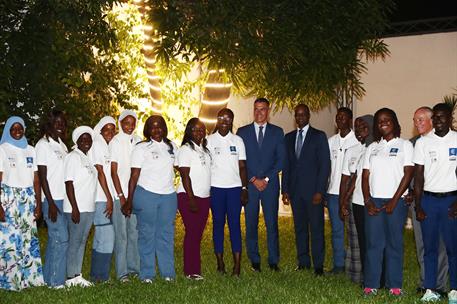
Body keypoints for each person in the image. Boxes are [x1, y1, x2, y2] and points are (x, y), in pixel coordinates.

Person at [362, 108, 414, 297]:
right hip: (374, 201)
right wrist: (367, 200)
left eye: (387, 119)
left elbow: (408, 173)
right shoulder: (372, 147)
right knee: (374, 244)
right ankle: (371, 284)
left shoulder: (405, 145)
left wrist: (394, 200)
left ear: (395, 122)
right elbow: (365, 176)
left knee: (394, 243)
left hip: (396, 201)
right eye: (379, 120)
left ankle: (395, 286)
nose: (383, 123)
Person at [122, 115, 178, 282]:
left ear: (164, 128)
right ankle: (147, 274)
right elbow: (134, 176)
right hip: (146, 194)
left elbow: (182, 168)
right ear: (147, 130)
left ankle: (168, 273)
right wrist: (129, 200)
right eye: (153, 127)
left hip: (168, 196)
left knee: (166, 234)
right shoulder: (141, 148)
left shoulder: (172, 146)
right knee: (147, 234)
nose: (157, 129)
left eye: (160, 126)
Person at [413, 103, 457, 302]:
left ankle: (454, 289)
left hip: (451, 200)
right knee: (429, 248)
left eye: (442, 117)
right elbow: (419, 176)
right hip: (429, 201)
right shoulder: (423, 142)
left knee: (453, 248)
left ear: (450, 118)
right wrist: (419, 205)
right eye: (436, 118)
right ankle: (430, 289)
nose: (438, 121)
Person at [236, 97, 285, 272]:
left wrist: (266, 179)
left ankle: (273, 260)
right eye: (256, 109)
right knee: (251, 223)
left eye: (262, 109)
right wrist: (252, 179)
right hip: (250, 185)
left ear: (268, 111)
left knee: (271, 223)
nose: (259, 112)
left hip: (270, 185)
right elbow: (239, 161)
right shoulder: (242, 132)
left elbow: (281, 160)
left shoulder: (278, 132)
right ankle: (254, 259)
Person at [281, 104, 330, 275]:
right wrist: (284, 189)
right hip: (295, 192)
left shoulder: (319, 136)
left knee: (316, 229)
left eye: (303, 114)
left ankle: (318, 265)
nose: (300, 117)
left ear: (309, 116)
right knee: (300, 228)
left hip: (313, 193)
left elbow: (325, 166)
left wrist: (320, 191)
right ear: (295, 117)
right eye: (297, 114)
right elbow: (286, 165)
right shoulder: (288, 138)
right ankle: (303, 262)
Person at [0, 116, 44, 291]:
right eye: (13, 128)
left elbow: (36, 179)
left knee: (27, 239)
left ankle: (29, 279)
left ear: (24, 129)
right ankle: (10, 282)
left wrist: (38, 203)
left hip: (28, 197)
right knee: (10, 241)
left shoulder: (31, 150)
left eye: (20, 128)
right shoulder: (2, 149)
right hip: (9, 197)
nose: (17, 131)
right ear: (8, 131)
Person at [409, 106, 448, 295]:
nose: (417, 124)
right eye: (415, 120)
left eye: (421, 119)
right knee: (422, 243)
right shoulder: (413, 143)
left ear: (432, 120)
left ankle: (439, 284)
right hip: (418, 201)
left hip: (438, 199)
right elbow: (408, 172)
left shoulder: (443, 142)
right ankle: (426, 282)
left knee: (440, 244)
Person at [207, 108, 248, 276]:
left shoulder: (238, 141)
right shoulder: (208, 140)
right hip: (216, 189)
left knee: (235, 226)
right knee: (217, 225)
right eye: (222, 118)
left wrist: (244, 188)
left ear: (232, 121)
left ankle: (237, 265)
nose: (225, 121)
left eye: (228, 118)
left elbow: (242, 167)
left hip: (234, 189)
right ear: (217, 120)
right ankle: (220, 262)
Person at [339, 115, 374, 283]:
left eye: (364, 126)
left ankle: (374, 275)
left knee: (371, 238)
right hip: (354, 200)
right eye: (357, 126)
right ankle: (357, 275)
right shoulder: (352, 150)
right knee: (355, 238)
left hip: (373, 199)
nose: (360, 129)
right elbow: (346, 180)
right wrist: (343, 202)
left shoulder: (375, 148)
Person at [36, 110, 68, 288]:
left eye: (62, 123)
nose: (60, 126)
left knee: (55, 240)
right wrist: (51, 203)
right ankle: (56, 282)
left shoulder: (62, 145)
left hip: (64, 199)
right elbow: (42, 177)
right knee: (61, 238)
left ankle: (48, 277)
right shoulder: (43, 145)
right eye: (56, 122)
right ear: (49, 124)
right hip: (52, 200)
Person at [177, 118, 212, 280]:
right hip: (189, 197)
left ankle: (194, 269)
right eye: (195, 130)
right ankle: (191, 271)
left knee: (197, 234)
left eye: (202, 129)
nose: (199, 133)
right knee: (192, 233)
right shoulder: (185, 149)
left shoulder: (204, 149)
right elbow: (184, 175)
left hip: (204, 197)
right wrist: (191, 199)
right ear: (189, 131)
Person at [109, 109, 141, 281]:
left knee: (134, 233)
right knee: (121, 235)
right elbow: (113, 172)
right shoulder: (115, 142)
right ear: (120, 123)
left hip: (135, 195)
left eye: (132, 122)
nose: (130, 126)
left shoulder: (138, 141)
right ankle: (122, 273)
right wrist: (121, 197)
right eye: (126, 123)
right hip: (119, 196)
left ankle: (134, 268)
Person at [327, 107, 359, 274]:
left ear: (350, 120)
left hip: (353, 194)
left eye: (344, 117)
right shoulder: (331, 141)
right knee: (337, 230)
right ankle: (339, 264)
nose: (340, 120)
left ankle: (355, 264)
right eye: (338, 117)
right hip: (333, 193)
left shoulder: (358, 141)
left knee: (353, 231)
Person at [64, 126, 96, 287]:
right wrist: (74, 208)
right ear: (76, 141)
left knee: (82, 241)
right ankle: (70, 277)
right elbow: (69, 183)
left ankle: (77, 275)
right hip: (76, 208)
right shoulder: (73, 157)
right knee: (74, 242)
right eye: (82, 139)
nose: (86, 142)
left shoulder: (87, 158)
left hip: (88, 208)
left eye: (88, 139)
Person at [90, 116, 116, 282]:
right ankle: (102, 276)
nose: (110, 133)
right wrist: (108, 198)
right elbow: (100, 172)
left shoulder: (107, 146)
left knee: (100, 237)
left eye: (113, 130)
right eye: (106, 129)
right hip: (101, 198)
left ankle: (96, 275)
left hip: (106, 197)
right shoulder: (97, 144)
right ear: (100, 130)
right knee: (107, 238)